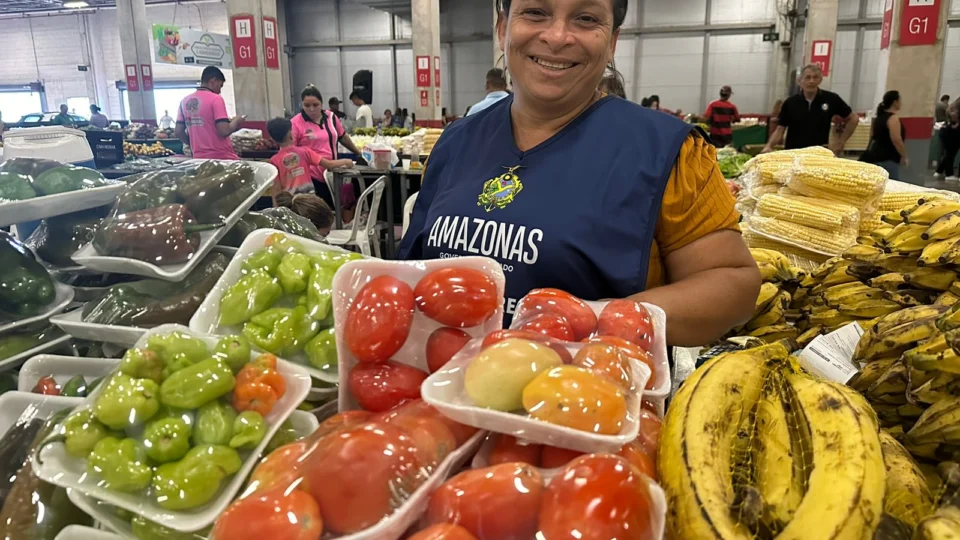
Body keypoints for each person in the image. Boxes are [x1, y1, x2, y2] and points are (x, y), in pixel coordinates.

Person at [399, 0, 760, 345]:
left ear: (613, 40)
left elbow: (732, 284)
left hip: (588, 395)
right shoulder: (454, 143)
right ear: (502, 27)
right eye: (535, 12)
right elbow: (411, 273)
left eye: (586, 19)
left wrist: (591, 321)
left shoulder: (667, 151)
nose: (557, 37)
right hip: (438, 395)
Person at [291, 85, 365, 212]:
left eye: (316, 104)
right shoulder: (295, 123)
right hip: (310, 177)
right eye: (306, 105)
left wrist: (358, 153)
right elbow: (292, 152)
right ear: (301, 105)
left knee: (335, 210)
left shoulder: (331, 117)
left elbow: (342, 137)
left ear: (322, 103)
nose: (312, 109)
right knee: (319, 213)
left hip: (333, 173)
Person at [762, 64, 859, 154]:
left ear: (820, 80)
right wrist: (769, 145)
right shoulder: (790, 102)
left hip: (819, 153)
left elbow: (853, 119)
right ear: (800, 81)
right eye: (808, 77)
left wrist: (841, 141)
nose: (811, 81)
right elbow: (780, 130)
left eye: (815, 77)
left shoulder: (831, 99)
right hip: (794, 152)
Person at [267, 116, 353, 198]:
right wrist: (346, 161)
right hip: (309, 199)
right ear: (291, 133)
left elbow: (276, 189)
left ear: (273, 139)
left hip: (288, 202)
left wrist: (276, 210)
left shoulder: (274, 161)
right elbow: (329, 164)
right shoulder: (304, 151)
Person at [175, 66, 244, 160]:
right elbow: (224, 131)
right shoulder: (216, 99)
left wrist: (194, 143)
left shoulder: (184, 101)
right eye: (220, 86)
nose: (220, 91)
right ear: (213, 80)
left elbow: (178, 131)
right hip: (222, 158)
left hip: (198, 158)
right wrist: (236, 120)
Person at [861, 90, 908, 179]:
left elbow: (872, 136)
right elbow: (896, 139)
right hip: (888, 158)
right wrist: (904, 155)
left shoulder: (878, 118)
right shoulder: (893, 119)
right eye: (900, 100)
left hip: (875, 156)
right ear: (895, 102)